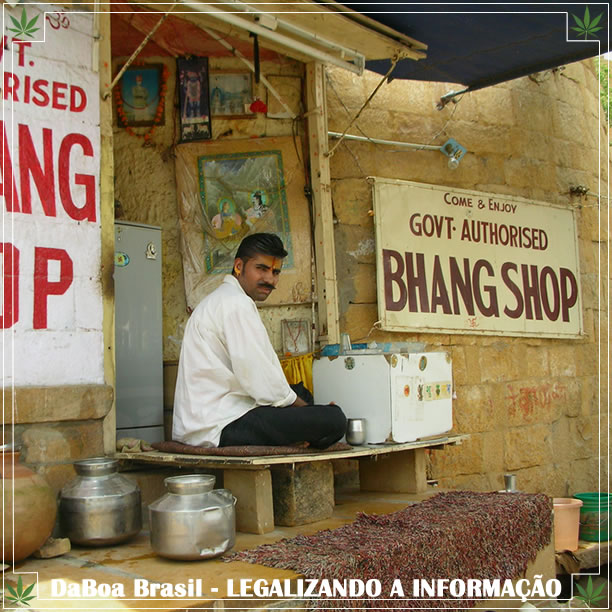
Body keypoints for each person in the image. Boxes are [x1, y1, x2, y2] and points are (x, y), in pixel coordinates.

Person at [172, 233, 347, 448]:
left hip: (215, 416)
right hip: (220, 425)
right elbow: (259, 378)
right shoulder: (236, 304)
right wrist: (307, 413)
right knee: (334, 420)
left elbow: (263, 382)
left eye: (275, 272)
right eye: (261, 269)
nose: (270, 279)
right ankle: (308, 435)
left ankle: (305, 433)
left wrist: (303, 408)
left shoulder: (225, 299)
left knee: (301, 393)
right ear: (239, 266)